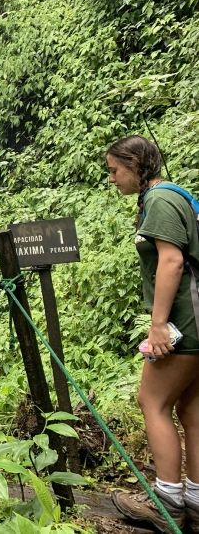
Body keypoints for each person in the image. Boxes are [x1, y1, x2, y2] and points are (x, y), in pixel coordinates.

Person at [107, 135, 199, 532]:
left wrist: (159, 324)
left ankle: (167, 501)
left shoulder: (159, 201)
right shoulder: (177, 196)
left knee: (153, 401)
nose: (112, 179)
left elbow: (173, 260)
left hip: (184, 322)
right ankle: (194, 497)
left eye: (114, 170)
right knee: (192, 410)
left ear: (136, 166)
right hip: (198, 322)